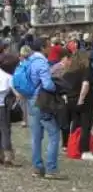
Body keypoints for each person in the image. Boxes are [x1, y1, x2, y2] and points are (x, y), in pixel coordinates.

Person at [27, 40, 65, 180]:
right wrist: (57, 88)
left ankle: (37, 167)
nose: (51, 48)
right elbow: (48, 85)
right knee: (54, 134)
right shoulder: (42, 62)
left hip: (31, 100)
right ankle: (51, 168)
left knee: (36, 136)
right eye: (48, 46)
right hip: (42, 101)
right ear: (43, 48)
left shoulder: (29, 60)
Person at [62, 50, 93, 161]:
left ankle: (72, 147)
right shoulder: (86, 70)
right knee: (86, 126)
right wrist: (81, 99)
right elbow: (86, 84)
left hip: (71, 101)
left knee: (75, 124)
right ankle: (84, 150)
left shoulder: (68, 72)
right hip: (86, 101)